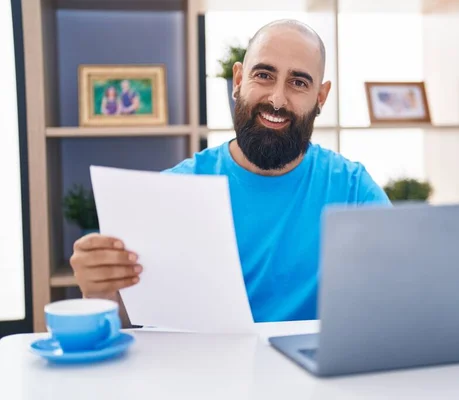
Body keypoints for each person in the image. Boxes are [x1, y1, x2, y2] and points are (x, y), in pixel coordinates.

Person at [69, 19, 391, 327]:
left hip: (314, 378)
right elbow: (130, 321)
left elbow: (395, 300)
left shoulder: (353, 191)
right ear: (238, 81)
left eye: (298, 82)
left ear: (320, 97)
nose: (277, 99)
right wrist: (100, 291)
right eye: (264, 75)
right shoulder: (175, 191)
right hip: (205, 376)